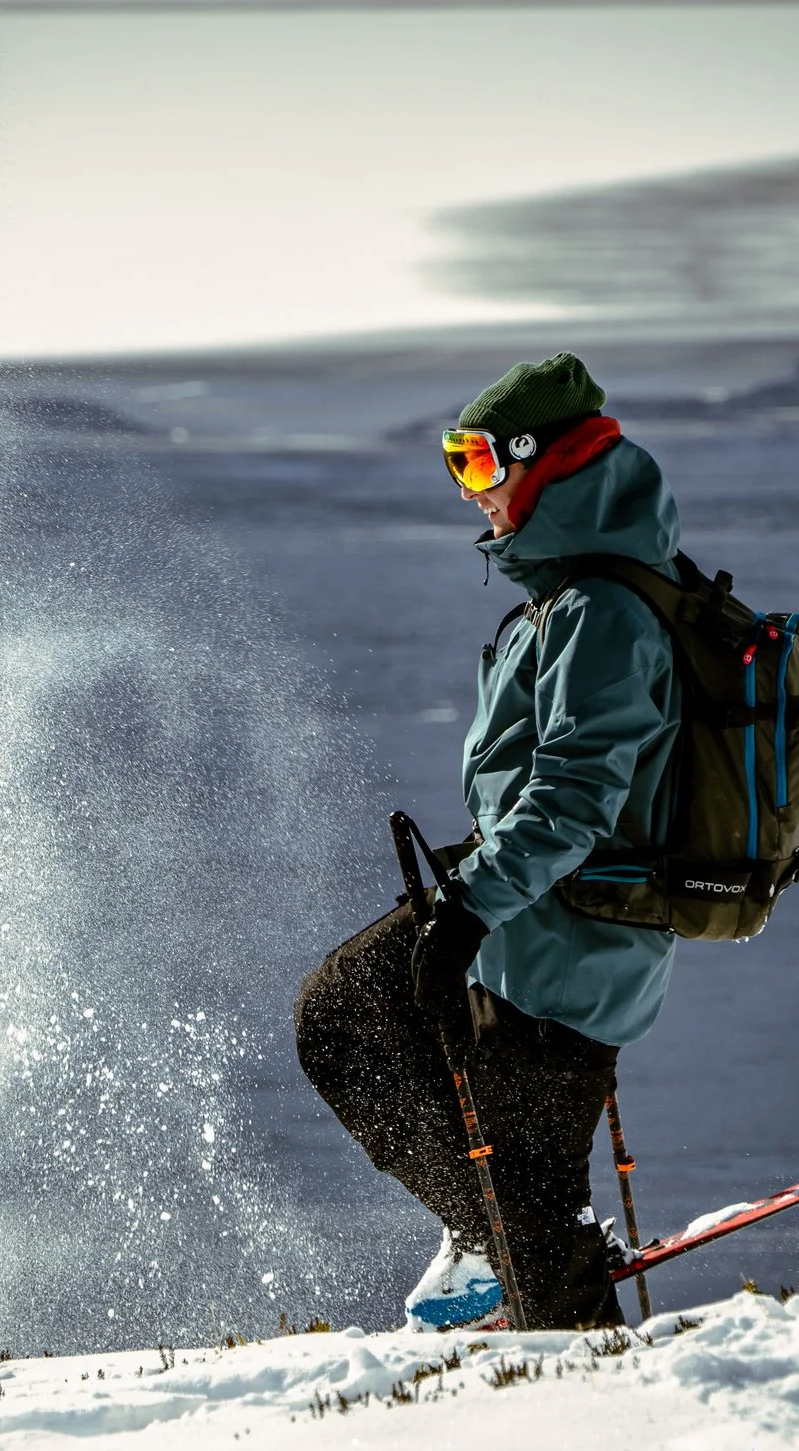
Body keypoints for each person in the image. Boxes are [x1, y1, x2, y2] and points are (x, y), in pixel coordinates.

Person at [295, 353, 683, 1331]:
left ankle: (559, 1329)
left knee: (536, 1217)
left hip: (561, 954)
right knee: (345, 1009)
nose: (472, 492)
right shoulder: (571, 600)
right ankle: (492, 1236)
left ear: (539, 463)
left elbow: (576, 794)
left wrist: (468, 909)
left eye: (476, 465)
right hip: (520, 918)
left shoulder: (601, 611)